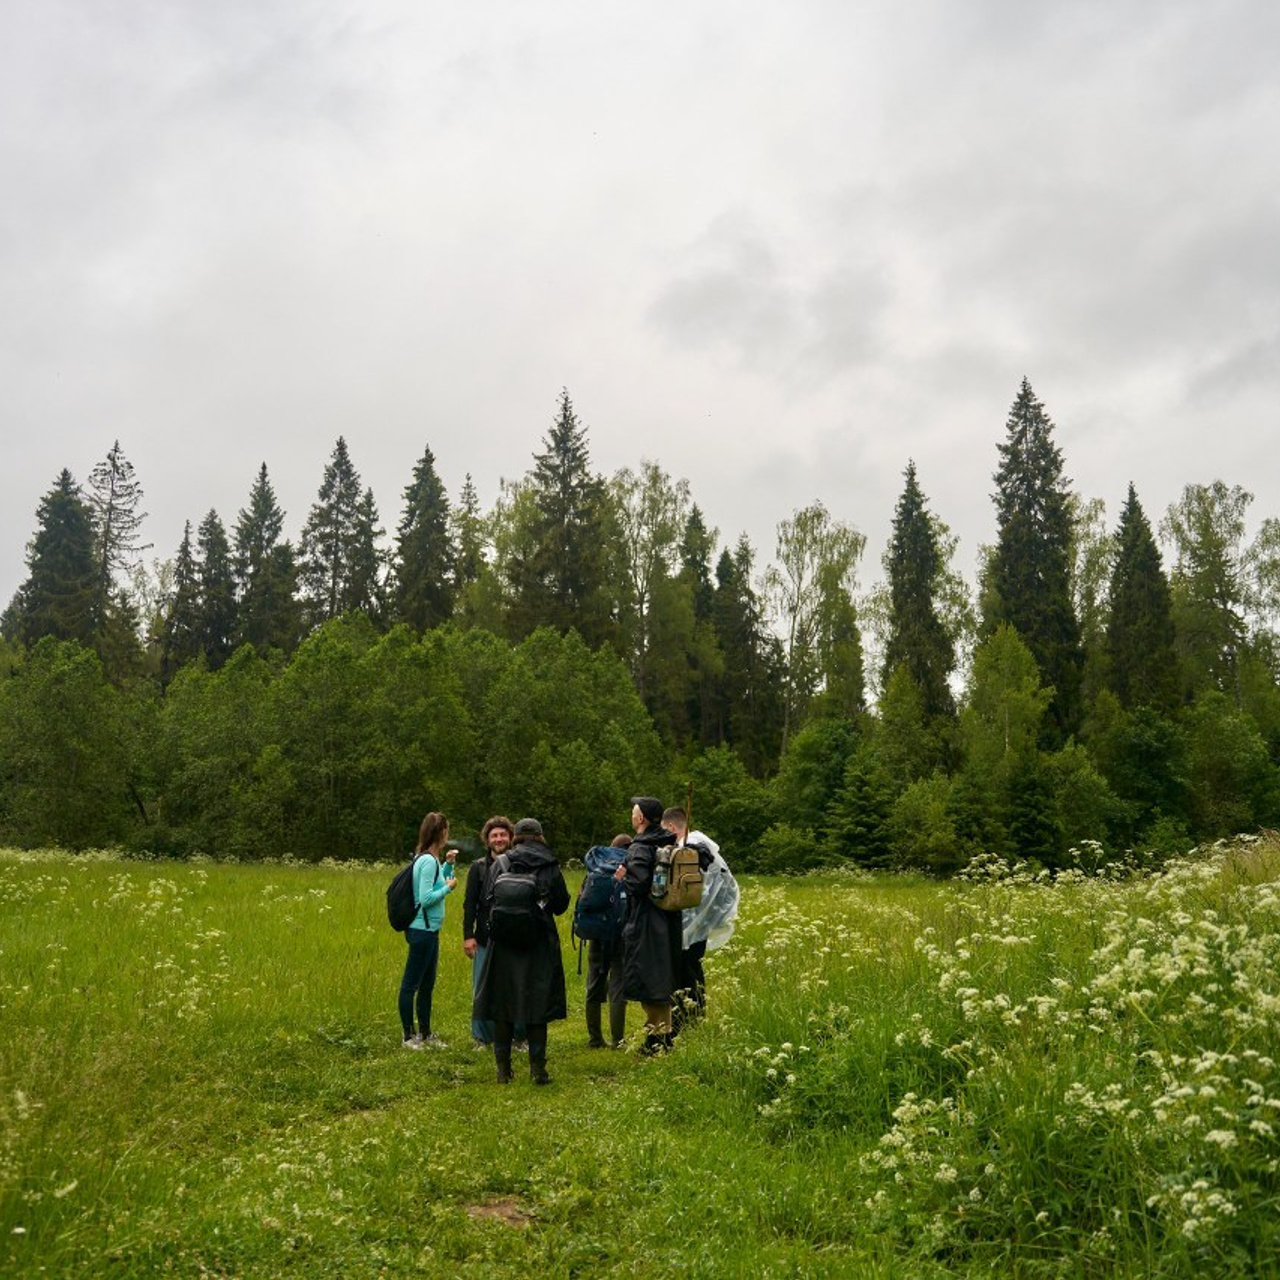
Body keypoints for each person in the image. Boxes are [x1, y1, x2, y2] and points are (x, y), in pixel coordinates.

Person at [474, 817, 570, 1084]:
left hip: (503, 944)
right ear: (540, 835)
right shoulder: (549, 863)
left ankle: (503, 1071)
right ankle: (538, 1070)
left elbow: (488, 899)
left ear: (515, 836)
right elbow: (561, 904)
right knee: (536, 1006)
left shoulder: (502, 862)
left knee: (502, 1005)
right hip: (538, 943)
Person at [662, 806, 740, 1031]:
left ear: (671, 827)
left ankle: (684, 1020)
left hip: (689, 922)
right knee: (693, 968)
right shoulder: (704, 846)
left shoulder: (690, 848)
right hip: (701, 924)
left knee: (684, 971)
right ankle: (695, 1016)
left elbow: (695, 890)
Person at [615, 795, 681, 1054]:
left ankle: (658, 1039)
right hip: (669, 917)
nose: (631, 815)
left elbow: (640, 885)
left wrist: (624, 877)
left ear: (640, 818)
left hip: (646, 922)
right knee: (662, 977)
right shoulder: (668, 841)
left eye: (634, 811)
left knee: (650, 979)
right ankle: (661, 1034)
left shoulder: (640, 847)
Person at [399, 811, 458, 1049]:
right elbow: (425, 898)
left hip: (430, 931)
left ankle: (425, 1033)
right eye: (446, 830)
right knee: (410, 985)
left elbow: (432, 881)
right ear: (441, 832)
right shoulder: (425, 860)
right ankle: (408, 1036)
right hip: (421, 931)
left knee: (427, 985)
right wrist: (449, 888)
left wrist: (448, 866)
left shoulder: (432, 860)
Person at [463, 815, 514, 1049]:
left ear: (511, 837)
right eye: (494, 835)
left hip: (513, 938)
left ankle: (517, 1036)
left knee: (514, 987)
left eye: (503, 834)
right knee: (481, 988)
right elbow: (470, 904)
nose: (499, 838)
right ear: (487, 840)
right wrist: (468, 936)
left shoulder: (518, 864)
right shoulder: (478, 868)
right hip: (484, 938)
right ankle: (482, 1037)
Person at [582, 833, 631, 1049]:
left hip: (596, 932)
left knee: (594, 983)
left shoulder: (596, 867)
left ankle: (594, 1038)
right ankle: (617, 1040)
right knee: (617, 985)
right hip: (619, 934)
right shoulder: (628, 867)